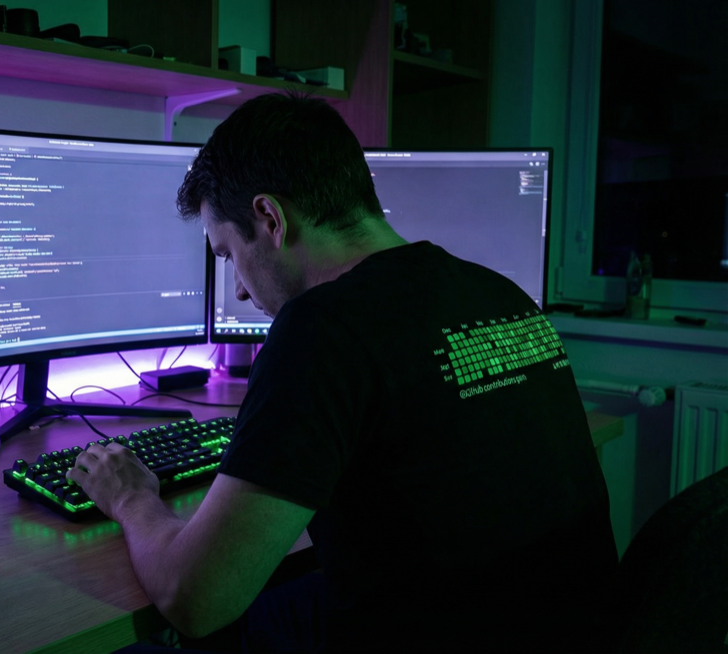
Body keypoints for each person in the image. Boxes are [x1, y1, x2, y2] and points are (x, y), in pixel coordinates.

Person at [66, 92, 617, 652]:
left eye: (229, 255)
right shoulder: (500, 292)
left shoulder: (321, 330)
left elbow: (196, 598)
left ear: (270, 218)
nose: (236, 288)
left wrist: (132, 497)